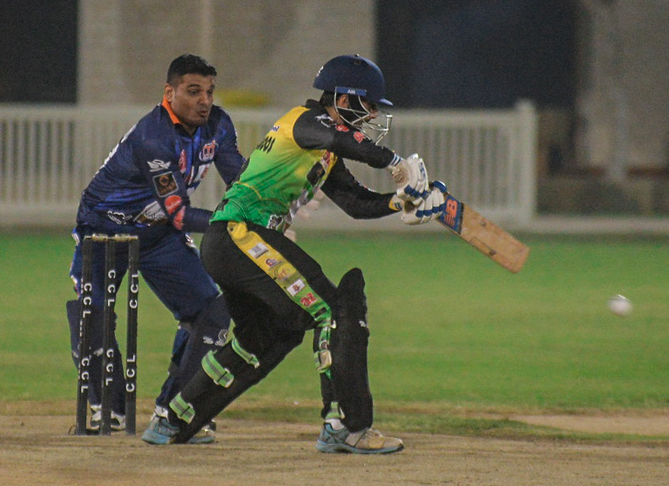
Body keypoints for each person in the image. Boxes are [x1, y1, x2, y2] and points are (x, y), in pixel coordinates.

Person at [161, 53, 446, 454]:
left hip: (232, 243)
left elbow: (355, 203)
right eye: (368, 106)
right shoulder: (304, 121)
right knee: (332, 310)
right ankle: (345, 426)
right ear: (344, 100)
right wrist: (394, 162)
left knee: (269, 336)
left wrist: (401, 202)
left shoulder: (323, 147)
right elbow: (339, 138)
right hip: (240, 235)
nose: (372, 116)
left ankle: (175, 420)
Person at [65, 54, 245, 444]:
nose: (204, 101)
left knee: (210, 312)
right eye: (193, 91)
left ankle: (177, 409)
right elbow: (179, 213)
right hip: (105, 227)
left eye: (209, 92)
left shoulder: (218, 124)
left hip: (158, 232)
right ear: (169, 92)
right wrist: (236, 224)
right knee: (93, 314)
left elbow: (243, 182)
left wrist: (279, 196)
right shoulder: (153, 137)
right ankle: (107, 409)